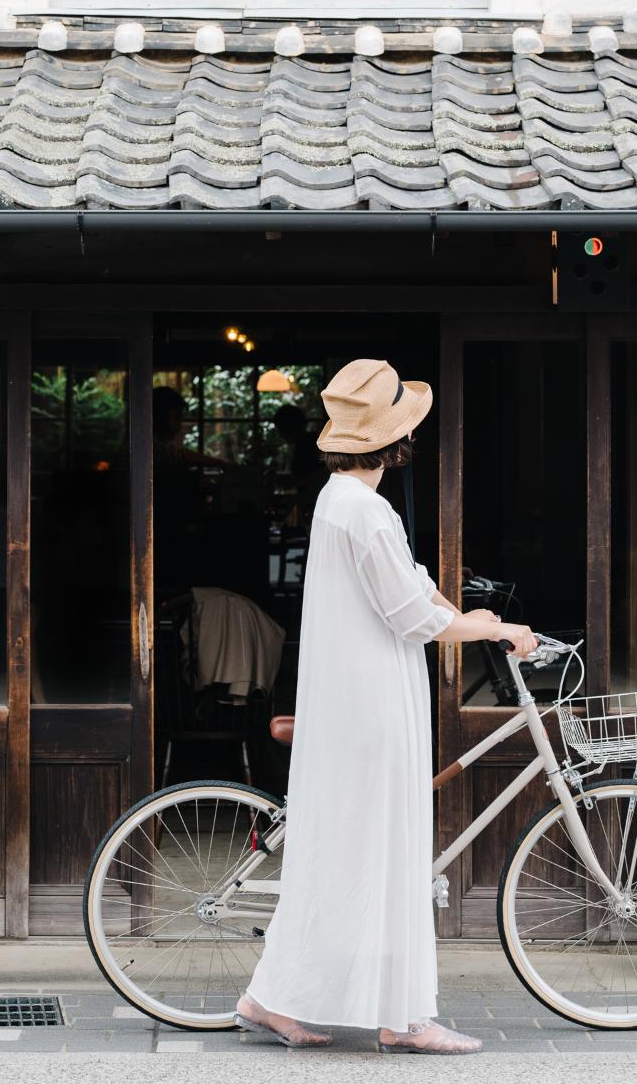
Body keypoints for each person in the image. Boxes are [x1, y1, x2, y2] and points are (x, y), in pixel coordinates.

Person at [234, 358, 537, 1056]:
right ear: (394, 441)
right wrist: (487, 629)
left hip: (351, 701)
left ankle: (270, 996)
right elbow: (411, 614)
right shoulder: (367, 511)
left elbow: (414, 584)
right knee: (388, 855)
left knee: (341, 856)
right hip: (373, 704)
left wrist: (473, 616)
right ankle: (402, 1018)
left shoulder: (337, 499)